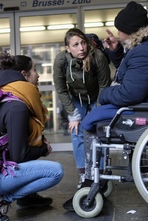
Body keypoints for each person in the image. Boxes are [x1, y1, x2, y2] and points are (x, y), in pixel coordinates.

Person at [63, 1, 148, 212]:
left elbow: (130, 92)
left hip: (146, 107)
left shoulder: (144, 52)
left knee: (90, 122)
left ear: (128, 30)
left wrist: (105, 94)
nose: (117, 33)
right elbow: (135, 73)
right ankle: (96, 175)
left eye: (120, 29)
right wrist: (117, 52)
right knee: (95, 116)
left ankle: (91, 180)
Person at [0, 52, 64, 221]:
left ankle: (26, 197)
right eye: (34, 70)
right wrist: (43, 149)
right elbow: (20, 155)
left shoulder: (6, 96)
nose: (38, 75)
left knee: (30, 160)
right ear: (24, 75)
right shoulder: (17, 106)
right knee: (56, 172)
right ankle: (1, 200)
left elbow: (11, 148)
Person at [53, 29, 111, 187]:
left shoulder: (98, 57)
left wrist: (96, 111)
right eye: (76, 45)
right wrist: (73, 114)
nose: (81, 48)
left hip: (97, 97)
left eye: (83, 43)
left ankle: (101, 172)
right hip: (76, 98)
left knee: (99, 131)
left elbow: (104, 86)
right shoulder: (61, 60)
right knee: (77, 131)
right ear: (67, 48)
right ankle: (84, 174)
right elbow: (61, 89)